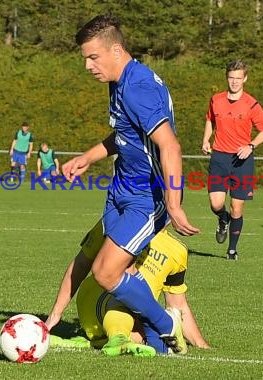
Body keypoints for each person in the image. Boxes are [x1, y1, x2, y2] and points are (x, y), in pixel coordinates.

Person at [47, 14, 199, 355]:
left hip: (147, 195)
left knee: (105, 271)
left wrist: (173, 205)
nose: (87, 65)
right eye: (85, 58)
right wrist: (89, 156)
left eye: (92, 57)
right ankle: (160, 344)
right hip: (121, 190)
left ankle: (164, 323)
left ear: (116, 50)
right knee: (110, 266)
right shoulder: (121, 81)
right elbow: (127, 134)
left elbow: (170, 145)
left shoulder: (137, 87)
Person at [75, 224, 210, 356]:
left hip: (137, 318)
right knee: (126, 295)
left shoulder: (177, 250)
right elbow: (81, 263)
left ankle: (108, 341)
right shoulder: (117, 223)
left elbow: (178, 304)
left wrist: (201, 344)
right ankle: (118, 339)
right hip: (96, 298)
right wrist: (56, 314)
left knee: (150, 337)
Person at [201, 60, 263, 260]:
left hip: (242, 161)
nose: (234, 82)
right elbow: (209, 120)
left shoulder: (252, 104)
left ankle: (232, 250)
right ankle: (222, 220)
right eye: (231, 78)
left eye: (238, 78)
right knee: (216, 204)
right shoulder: (216, 100)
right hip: (219, 158)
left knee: (237, 208)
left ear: (245, 79)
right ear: (227, 78)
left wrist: (250, 146)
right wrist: (206, 139)